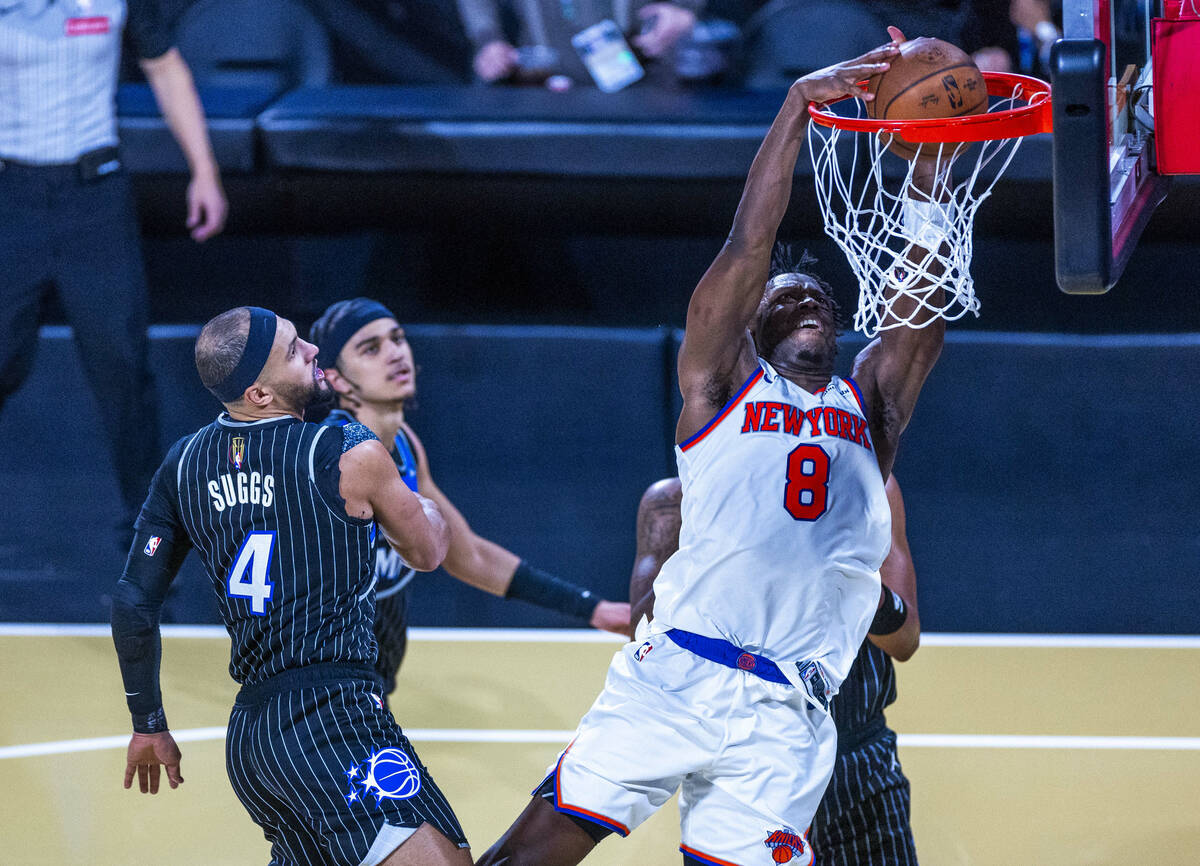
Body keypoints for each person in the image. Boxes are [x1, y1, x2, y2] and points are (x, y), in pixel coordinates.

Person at [478, 33, 946, 865]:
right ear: (752, 331)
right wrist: (796, 108)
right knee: (525, 858)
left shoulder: (868, 408)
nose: (807, 295)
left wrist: (931, 163)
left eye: (821, 297)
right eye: (785, 294)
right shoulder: (723, 389)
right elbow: (747, 245)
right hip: (677, 679)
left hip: (788, 715)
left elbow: (919, 303)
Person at [110, 307, 471, 866]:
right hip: (333, 719)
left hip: (254, 741)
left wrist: (147, 725)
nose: (311, 350)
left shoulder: (183, 464)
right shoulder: (345, 450)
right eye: (294, 350)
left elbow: (134, 601)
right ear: (258, 394)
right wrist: (418, 498)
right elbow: (428, 551)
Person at [308, 298, 631, 701]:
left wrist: (594, 609)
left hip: (371, 684)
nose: (395, 353)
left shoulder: (405, 448)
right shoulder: (332, 455)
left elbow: (469, 556)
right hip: (324, 685)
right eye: (371, 349)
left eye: (397, 339)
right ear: (337, 379)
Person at [0, 0, 227, 542]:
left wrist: (204, 170)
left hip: (94, 197)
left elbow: (165, 68)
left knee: (123, 367)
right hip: (11, 198)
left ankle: (148, 534)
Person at [629, 472, 921, 864]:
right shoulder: (679, 497)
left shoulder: (869, 483)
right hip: (744, 765)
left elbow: (905, 641)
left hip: (858, 765)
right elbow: (643, 631)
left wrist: (840, 573)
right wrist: (727, 542)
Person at [457, 0, 703, 85]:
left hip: (642, 72)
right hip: (542, 78)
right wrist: (488, 39)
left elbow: (683, 14)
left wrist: (683, 10)